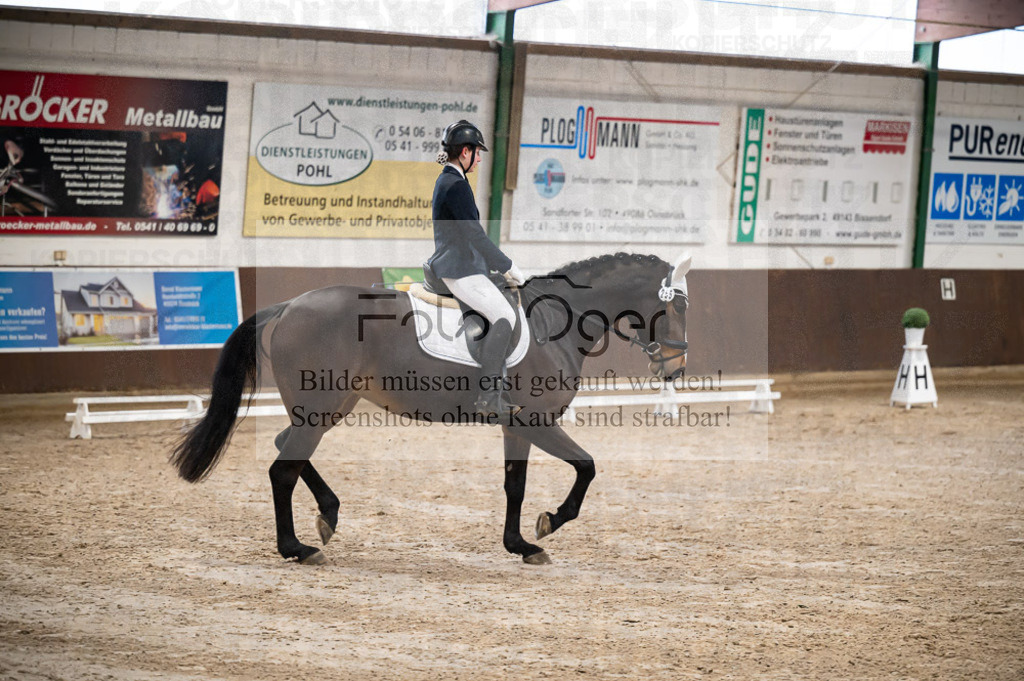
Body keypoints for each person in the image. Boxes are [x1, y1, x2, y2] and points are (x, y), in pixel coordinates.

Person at [426, 120, 525, 418]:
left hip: (465, 264)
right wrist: (507, 266)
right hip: (458, 268)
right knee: (505, 317)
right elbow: (474, 234)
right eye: (477, 153)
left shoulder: (452, 179)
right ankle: (489, 397)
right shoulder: (454, 184)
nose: (479, 159)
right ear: (465, 152)